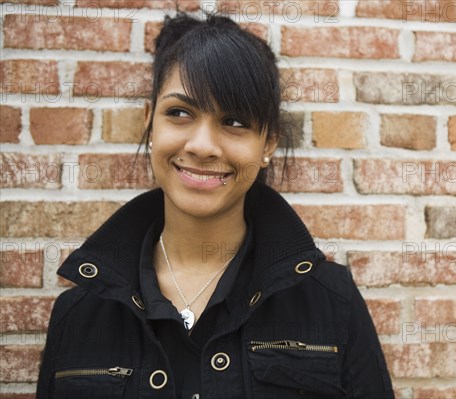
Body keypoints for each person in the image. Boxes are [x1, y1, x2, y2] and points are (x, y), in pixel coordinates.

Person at [36, 12, 394, 399]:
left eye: (235, 121)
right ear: (149, 122)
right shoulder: (79, 312)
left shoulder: (329, 299)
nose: (202, 146)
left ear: (269, 143)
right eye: (179, 113)